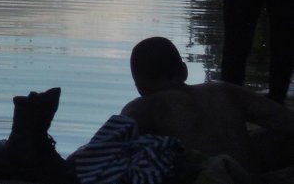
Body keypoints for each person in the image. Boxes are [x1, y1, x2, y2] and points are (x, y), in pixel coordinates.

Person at [119, 36, 294, 178]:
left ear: (140, 86)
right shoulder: (223, 90)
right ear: (184, 70)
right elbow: (285, 120)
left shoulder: (141, 108)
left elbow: (108, 148)